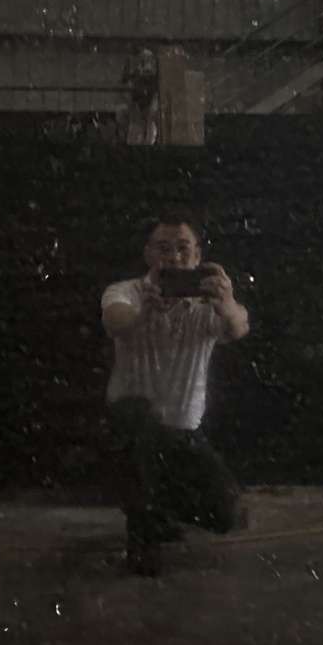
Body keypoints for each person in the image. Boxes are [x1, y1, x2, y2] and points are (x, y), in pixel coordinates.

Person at [101, 212, 251, 575]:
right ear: (148, 254)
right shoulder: (127, 292)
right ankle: (144, 530)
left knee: (229, 513)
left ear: (198, 256)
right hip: (132, 427)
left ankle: (160, 513)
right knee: (138, 424)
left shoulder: (208, 303)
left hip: (183, 433)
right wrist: (144, 313)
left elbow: (239, 327)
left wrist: (228, 302)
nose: (174, 257)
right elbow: (115, 320)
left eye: (183, 249)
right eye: (164, 248)